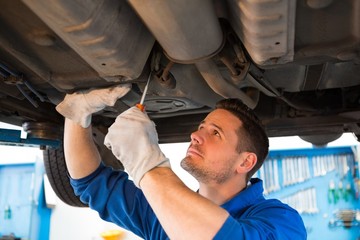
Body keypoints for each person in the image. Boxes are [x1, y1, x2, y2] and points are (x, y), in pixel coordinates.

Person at [56, 84, 307, 240]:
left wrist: (147, 164)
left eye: (215, 133)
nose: (195, 135)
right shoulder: (164, 211)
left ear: (245, 162)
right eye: (201, 127)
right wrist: (78, 114)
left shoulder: (281, 220)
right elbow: (90, 183)